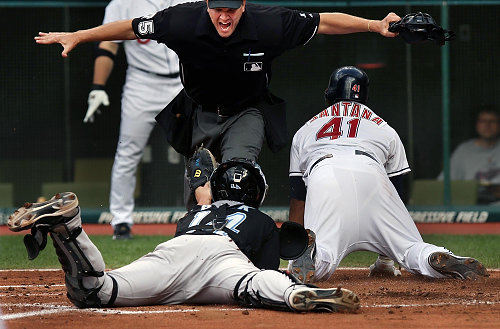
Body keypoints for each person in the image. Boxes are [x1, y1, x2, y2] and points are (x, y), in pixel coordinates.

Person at [34, 0, 401, 205]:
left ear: (243, 4)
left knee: (237, 174)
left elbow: (323, 22)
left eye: (232, 8)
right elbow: (130, 27)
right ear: (207, 3)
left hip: (247, 110)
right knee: (197, 193)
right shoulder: (181, 20)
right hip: (200, 112)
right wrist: (80, 35)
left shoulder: (269, 22)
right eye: (217, 8)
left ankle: (239, 245)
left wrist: (375, 25)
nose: (224, 17)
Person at [7, 156, 360, 313]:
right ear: (257, 194)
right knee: (256, 283)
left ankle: (69, 228)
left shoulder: (196, 211)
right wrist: (294, 273)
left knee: (96, 291)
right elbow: (264, 267)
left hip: (175, 249)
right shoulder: (262, 219)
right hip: (226, 258)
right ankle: (295, 295)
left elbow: (201, 201)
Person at [287, 66, 489, 283]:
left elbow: (299, 197)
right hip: (372, 174)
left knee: (320, 260)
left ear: (330, 93)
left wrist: (294, 244)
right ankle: (432, 255)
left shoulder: (305, 130)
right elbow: (397, 193)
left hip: (326, 174)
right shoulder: (384, 128)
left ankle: (311, 255)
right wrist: (386, 258)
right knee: (411, 249)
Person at [85, 0, 193, 240]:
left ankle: (199, 216)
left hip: (183, 80)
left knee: (196, 152)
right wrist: (98, 86)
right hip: (141, 83)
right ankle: (121, 222)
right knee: (127, 152)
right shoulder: (121, 3)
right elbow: (108, 45)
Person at [438, 106, 500, 204]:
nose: (487, 125)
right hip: (469, 207)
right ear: (476, 125)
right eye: (483, 121)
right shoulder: (463, 150)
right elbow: (442, 185)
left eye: (492, 121)